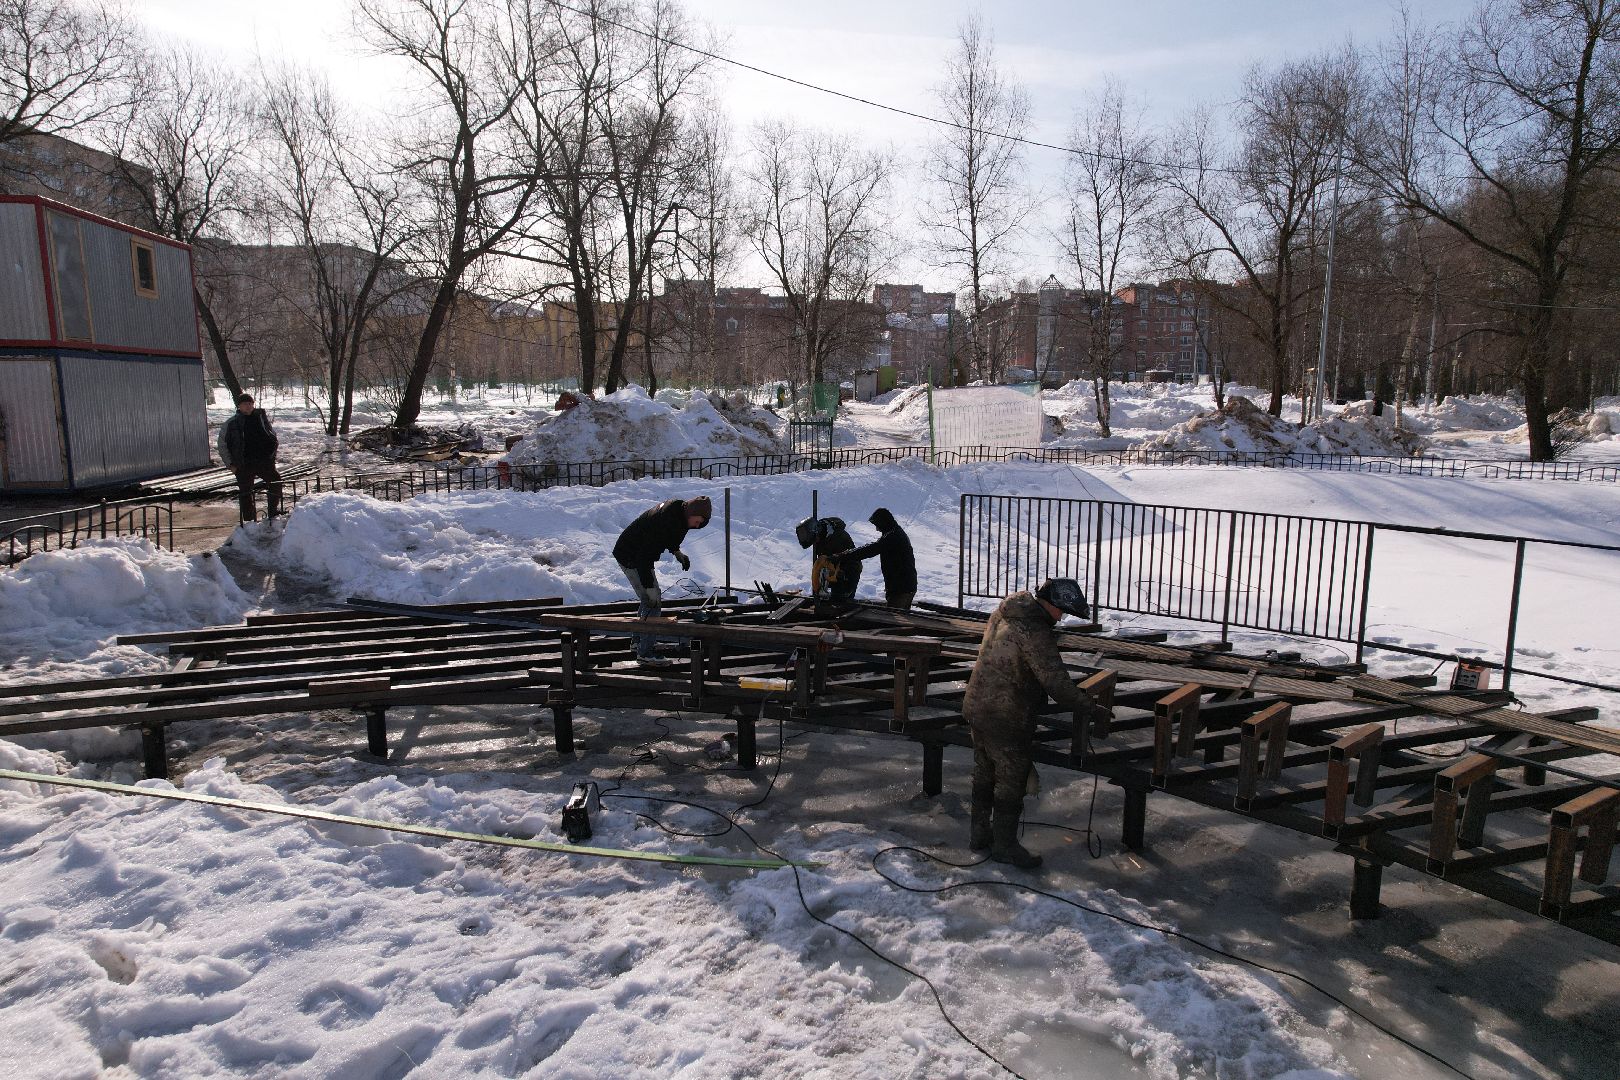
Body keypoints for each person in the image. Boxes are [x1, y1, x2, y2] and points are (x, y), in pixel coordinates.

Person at [962, 577, 1096, 869]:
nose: (1061, 618)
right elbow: (1055, 683)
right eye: (1061, 611)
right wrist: (1088, 706)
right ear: (1051, 603)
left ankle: (979, 835)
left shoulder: (1008, 611)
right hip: (1006, 714)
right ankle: (1005, 846)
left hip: (978, 705)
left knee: (984, 773)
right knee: (1011, 780)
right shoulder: (1034, 630)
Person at [612, 495, 712, 664]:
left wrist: (676, 551)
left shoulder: (681, 513)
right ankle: (645, 654)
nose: (697, 526)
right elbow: (644, 557)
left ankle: (639, 642)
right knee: (653, 600)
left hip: (637, 553)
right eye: (697, 522)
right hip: (630, 555)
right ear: (692, 512)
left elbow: (672, 535)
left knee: (648, 599)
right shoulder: (664, 521)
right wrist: (649, 586)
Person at [216, 393, 282, 524]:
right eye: (245, 404)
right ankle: (249, 522)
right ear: (239, 406)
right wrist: (231, 465)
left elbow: (272, 437)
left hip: (263, 462)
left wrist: (271, 456)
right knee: (246, 493)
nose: (248, 406)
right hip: (243, 464)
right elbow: (222, 445)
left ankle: (273, 512)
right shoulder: (232, 423)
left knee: (275, 482)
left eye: (250, 403)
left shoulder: (261, 419)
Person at [848, 507, 916, 609]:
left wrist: (845, 556)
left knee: (894, 619)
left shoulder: (893, 537)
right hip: (905, 585)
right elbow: (875, 546)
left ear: (883, 523)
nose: (876, 529)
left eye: (877, 525)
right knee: (900, 617)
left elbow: (871, 549)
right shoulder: (894, 532)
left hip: (900, 588)